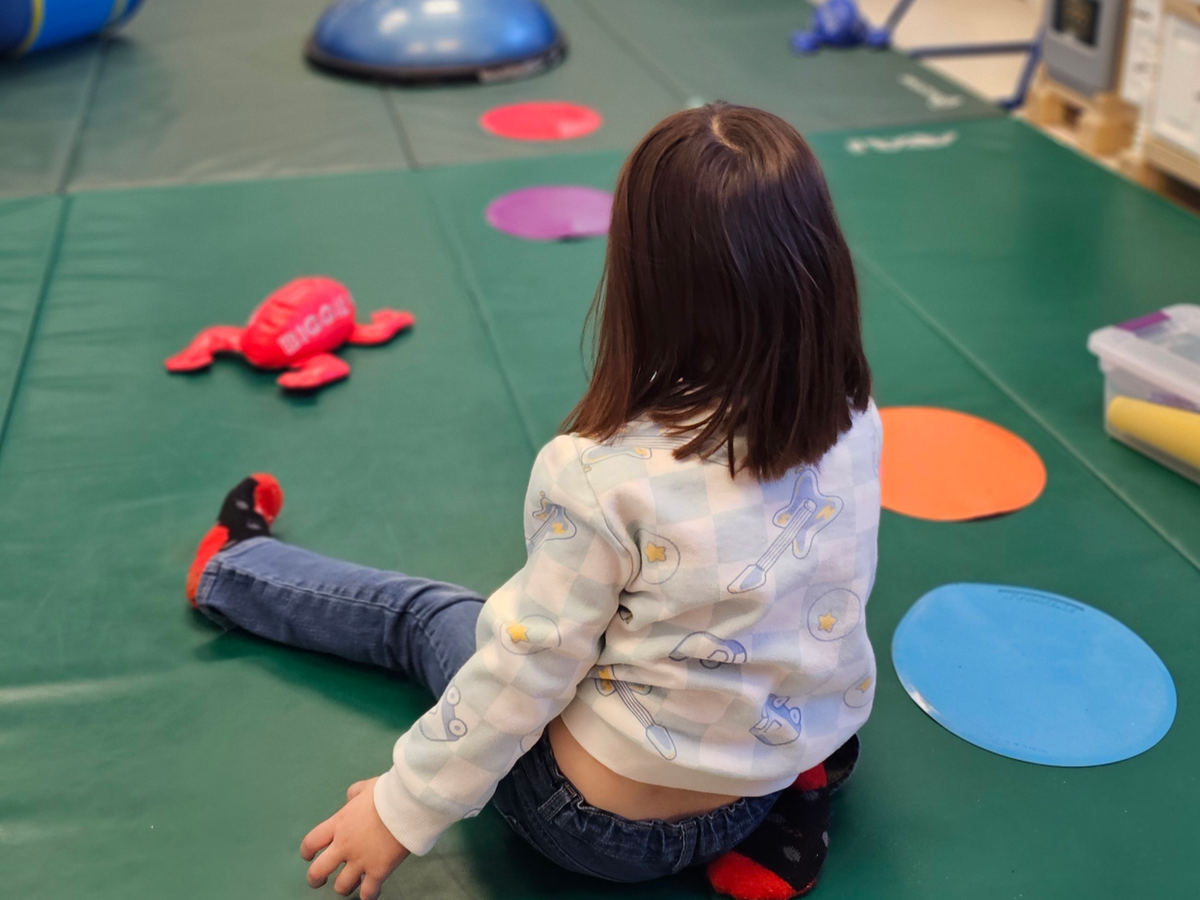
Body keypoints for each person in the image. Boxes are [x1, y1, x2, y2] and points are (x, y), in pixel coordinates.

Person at [184, 102, 882, 900]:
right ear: (819, 260)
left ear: (645, 277)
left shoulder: (599, 471)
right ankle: (801, 801)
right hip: (769, 771)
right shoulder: (853, 416)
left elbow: (524, 671)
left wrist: (400, 806)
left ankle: (235, 568)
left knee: (431, 617)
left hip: (600, 829)